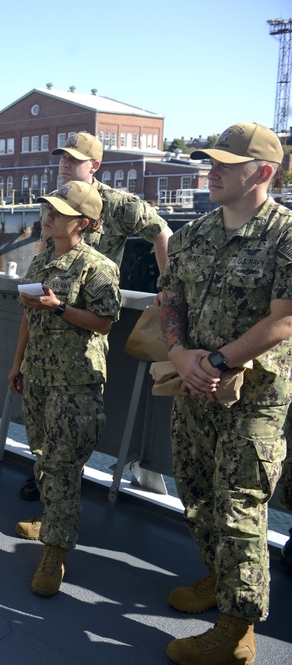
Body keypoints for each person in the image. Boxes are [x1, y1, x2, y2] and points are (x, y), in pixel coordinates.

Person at [158, 122, 292, 665]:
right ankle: (217, 578)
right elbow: (171, 298)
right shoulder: (193, 233)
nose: (209, 171)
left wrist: (216, 360)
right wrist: (179, 355)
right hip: (195, 386)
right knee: (196, 489)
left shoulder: (286, 234)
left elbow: (285, 320)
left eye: (223, 164)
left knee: (240, 505)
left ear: (262, 173)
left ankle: (237, 629)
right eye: (208, 161)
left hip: (254, 394)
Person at [19, 130, 173, 503]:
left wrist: (168, 287)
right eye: (61, 158)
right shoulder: (52, 203)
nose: (64, 164)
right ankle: (43, 472)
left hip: (90, 314)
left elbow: (161, 232)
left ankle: (65, 478)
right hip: (49, 317)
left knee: (80, 406)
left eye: (73, 159)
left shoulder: (118, 204)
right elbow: (45, 248)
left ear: (95, 166)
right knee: (43, 407)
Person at [6, 181, 121, 597]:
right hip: (38, 375)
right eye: (48, 208)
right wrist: (18, 363)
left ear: (84, 223)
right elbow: (26, 318)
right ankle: (51, 520)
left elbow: (105, 322)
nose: (47, 215)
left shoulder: (97, 266)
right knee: (41, 454)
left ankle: (56, 550)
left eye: (59, 211)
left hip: (76, 382)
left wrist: (59, 306)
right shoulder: (40, 263)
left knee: (62, 465)